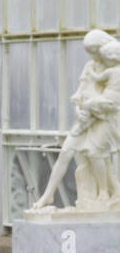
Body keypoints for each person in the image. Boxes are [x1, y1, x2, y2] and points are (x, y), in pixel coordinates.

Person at [31, 30, 120, 211]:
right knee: (65, 153)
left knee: (98, 157)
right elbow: (79, 93)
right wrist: (79, 110)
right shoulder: (90, 67)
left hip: (102, 121)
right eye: (90, 52)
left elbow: (112, 103)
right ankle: (48, 195)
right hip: (84, 121)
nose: (93, 56)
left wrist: (89, 107)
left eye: (94, 51)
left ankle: (106, 194)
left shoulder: (115, 69)